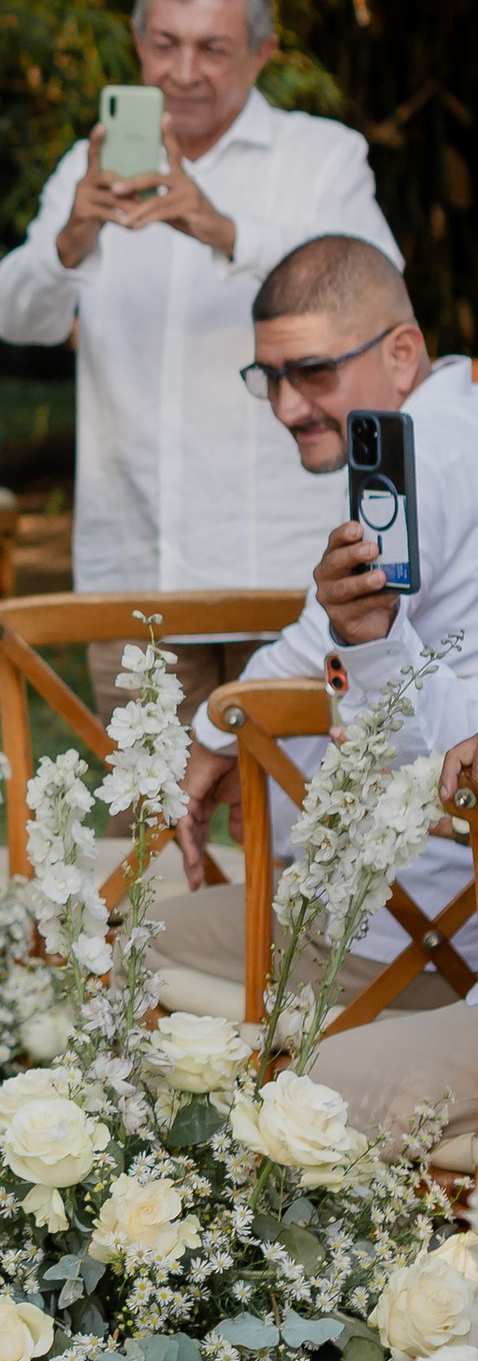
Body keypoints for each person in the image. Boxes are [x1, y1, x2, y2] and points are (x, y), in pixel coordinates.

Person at [0, 0, 398, 716]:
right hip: (133, 571)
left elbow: (383, 288)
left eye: (213, 48)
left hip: (287, 572)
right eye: (165, 44)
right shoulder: (88, 165)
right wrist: (72, 239)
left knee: (298, 821)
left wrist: (225, 228)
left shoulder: (322, 156)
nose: (182, 71)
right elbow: (14, 316)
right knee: (150, 826)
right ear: (138, 44)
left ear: (263, 51)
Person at [164, 235, 478, 1031]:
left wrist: (216, 727)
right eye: (270, 376)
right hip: (421, 892)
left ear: (402, 351)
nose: (286, 406)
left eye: (312, 372)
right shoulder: (455, 419)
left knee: (118, 934)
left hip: (410, 926)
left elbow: (320, 643)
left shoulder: (427, 453)